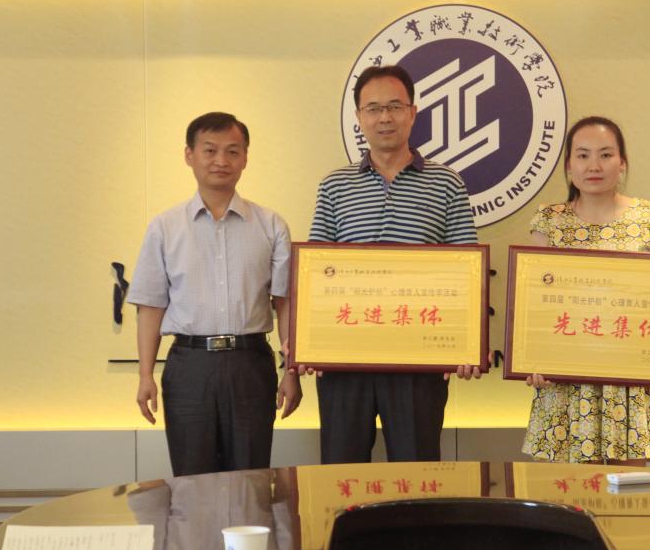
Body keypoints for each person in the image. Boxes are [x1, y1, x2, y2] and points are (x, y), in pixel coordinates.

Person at [306, 65, 480, 464]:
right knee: (341, 472)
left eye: (394, 107)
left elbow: (466, 274)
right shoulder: (334, 185)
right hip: (345, 358)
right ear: (359, 117)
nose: (384, 117)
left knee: (417, 471)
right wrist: (306, 339)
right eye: (373, 108)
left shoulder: (447, 183)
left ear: (412, 113)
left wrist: (468, 343)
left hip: (418, 361)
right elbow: (315, 271)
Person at [127, 112, 301, 477]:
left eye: (232, 151)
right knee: (192, 479)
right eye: (210, 150)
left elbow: (285, 304)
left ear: (245, 158)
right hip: (189, 367)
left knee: (250, 478)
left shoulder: (271, 225)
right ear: (189, 155)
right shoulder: (164, 228)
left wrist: (291, 371)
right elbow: (151, 307)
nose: (221, 160)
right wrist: (145, 375)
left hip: (250, 364)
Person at [524, 116, 650, 466]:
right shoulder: (549, 221)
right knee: (570, 494)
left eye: (605, 155)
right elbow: (536, 306)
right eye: (583, 155)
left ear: (622, 162)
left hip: (631, 380)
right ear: (568, 165)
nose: (594, 166)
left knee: (630, 493)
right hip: (567, 382)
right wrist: (530, 358)